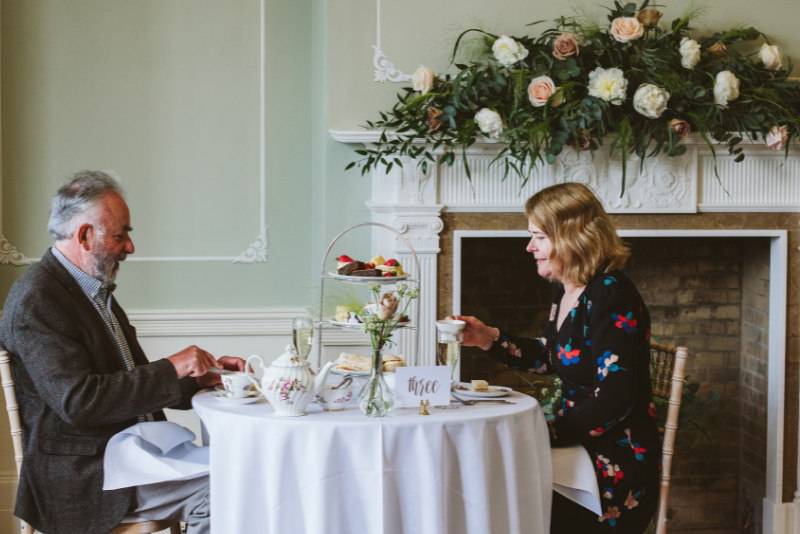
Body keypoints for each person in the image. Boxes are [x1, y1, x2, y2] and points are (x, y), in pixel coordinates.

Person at [0, 170, 245, 534]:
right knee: (228, 490)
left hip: (134, 454)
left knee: (244, 471)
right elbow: (79, 402)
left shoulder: (92, 291)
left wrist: (197, 379)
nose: (130, 246)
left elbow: (130, 386)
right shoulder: (37, 299)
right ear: (85, 235)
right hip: (87, 475)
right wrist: (172, 366)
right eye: (121, 234)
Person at [451, 182, 660, 534]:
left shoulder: (611, 295)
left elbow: (615, 399)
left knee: (509, 487)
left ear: (571, 237)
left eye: (539, 237)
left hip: (614, 457)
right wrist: (488, 338)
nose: (529, 246)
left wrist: (545, 433)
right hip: (581, 442)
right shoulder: (568, 287)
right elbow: (552, 356)